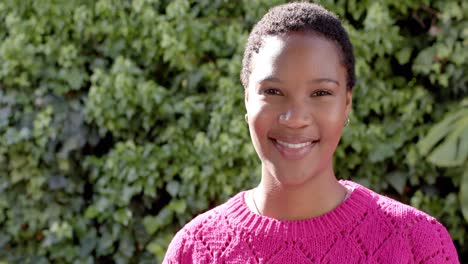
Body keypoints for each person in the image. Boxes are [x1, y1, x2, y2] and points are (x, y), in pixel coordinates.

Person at [163, 2, 459, 263]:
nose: (295, 119)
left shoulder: (417, 244)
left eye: (320, 92)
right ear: (247, 100)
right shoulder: (195, 250)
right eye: (273, 91)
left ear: (347, 103)